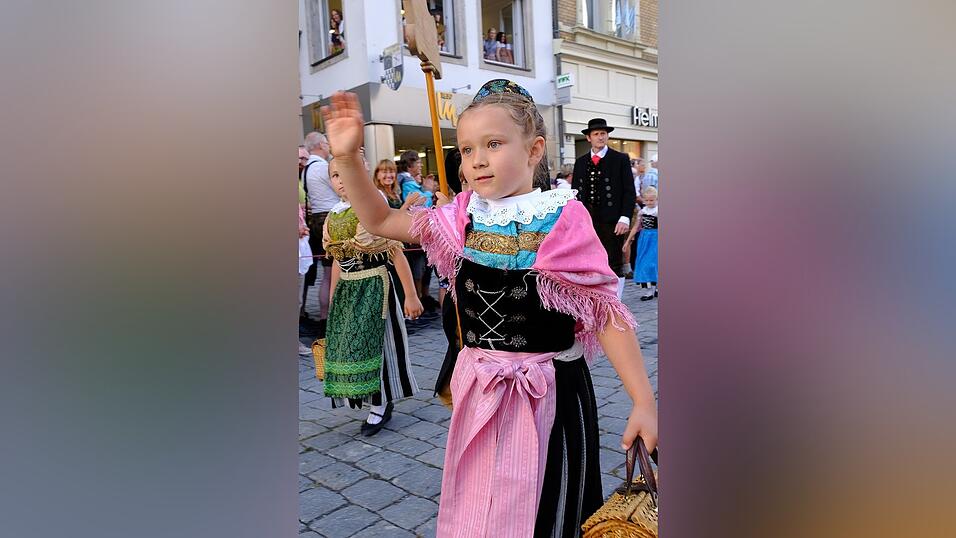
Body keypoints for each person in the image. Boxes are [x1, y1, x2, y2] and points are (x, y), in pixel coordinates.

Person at [321, 79, 658, 536]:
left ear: (534, 149)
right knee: (482, 510)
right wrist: (345, 159)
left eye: (493, 144)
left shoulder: (564, 218)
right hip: (482, 390)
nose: (477, 158)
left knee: (549, 508)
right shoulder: (461, 217)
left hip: (551, 391)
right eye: (467, 148)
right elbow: (380, 219)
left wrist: (642, 399)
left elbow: (604, 315)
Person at [321, 157, 422, 436]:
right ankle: (364, 395)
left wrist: (411, 295)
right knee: (354, 344)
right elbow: (338, 262)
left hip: (377, 286)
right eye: (334, 175)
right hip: (349, 290)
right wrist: (333, 299)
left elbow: (395, 251)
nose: (341, 179)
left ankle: (381, 402)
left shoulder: (372, 205)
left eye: (345, 173)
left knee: (380, 344)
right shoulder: (334, 214)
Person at [571, 118, 636, 299]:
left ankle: (616, 300)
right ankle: (596, 296)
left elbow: (629, 191)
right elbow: (574, 194)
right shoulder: (581, 162)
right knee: (590, 259)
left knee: (613, 260)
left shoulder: (620, 159)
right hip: (588, 219)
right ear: (589, 138)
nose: (600, 137)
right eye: (596, 134)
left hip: (612, 219)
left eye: (603, 134)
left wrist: (625, 217)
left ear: (607, 136)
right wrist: (576, 220)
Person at [302, 132, 338, 324]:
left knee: (326, 273)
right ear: (320, 145)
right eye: (326, 142)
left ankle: (324, 315)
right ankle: (330, 317)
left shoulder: (306, 169)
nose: (328, 146)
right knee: (332, 273)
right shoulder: (324, 167)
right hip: (330, 219)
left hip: (315, 219)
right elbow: (341, 188)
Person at [626, 186, 658, 300]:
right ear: (644, 200)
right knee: (644, 262)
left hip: (655, 238)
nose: (649, 202)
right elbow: (635, 227)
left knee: (653, 263)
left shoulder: (657, 211)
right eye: (647, 200)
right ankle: (649, 290)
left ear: (656, 199)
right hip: (645, 239)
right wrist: (628, 241)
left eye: (652, 200)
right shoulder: (642, 212)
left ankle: (654, 288)